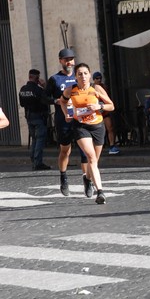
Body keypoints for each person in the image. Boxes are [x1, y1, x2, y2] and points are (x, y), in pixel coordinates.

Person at [60, 63, 114, 204]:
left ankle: (87, 179)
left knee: (94, 160)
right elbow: (62, 102)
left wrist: (99, 106)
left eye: (85, 73)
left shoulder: (96, 88)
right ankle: (100, 192)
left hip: (97, 126)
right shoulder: (71, 90)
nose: (83, 76)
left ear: (89, 75)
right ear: (75, 77)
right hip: (80, 126)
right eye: (79, 74)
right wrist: (67, 114)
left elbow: (111, 106)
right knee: (91, 158)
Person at [45, 48, 90, 196]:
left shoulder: (79, 77)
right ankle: (63, 177)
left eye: (71, 59)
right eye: (66, 59)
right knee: (66, 150)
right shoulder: (55, 79)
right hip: (63, 119)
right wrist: (56, 101)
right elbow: (43, 98)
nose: (69, 62)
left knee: (85, 150)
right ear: (60, 61)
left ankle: (87, 180)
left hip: (80, 118)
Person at [19, 69, 51, 171]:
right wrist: (44, 86)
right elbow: (47, 99)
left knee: (34, 140)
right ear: (37, 78)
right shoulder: (38, 90)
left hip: (29, 117)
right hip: (39, 117)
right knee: (40, 140)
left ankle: (34, 160)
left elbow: (22, 104)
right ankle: (38, 162)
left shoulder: (23, 89)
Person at [92, 71, 120, 155]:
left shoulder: (104, 87)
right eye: (97, 78)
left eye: (100, 78)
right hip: (96, 113)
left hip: (104, 111)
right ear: (94, 79)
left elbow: (108, 100)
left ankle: (112, 146)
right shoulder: (92, 88)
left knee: (110, 127)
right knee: (95, 130)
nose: (99, 80)